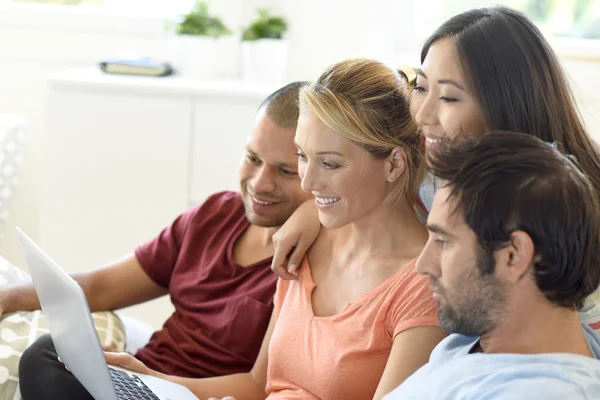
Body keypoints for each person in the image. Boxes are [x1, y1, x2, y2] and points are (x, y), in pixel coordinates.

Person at [104, 58, 446, 400]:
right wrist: (152, 379)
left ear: (394, 163)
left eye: (330, 163)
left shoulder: (423, 288)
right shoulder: (304, 241)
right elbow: (258, 385)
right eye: (302, 156)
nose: (309, 182)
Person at [271, 6, 600, 327]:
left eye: (449, 98)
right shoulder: (431, 168)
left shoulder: (563, 207)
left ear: (504, 103)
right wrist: (310, 214)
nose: (423, 115)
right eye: (422, 88)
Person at [17, 81, 314, 400]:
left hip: (190, 394)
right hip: (143, 380)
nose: (260, 183)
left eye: (286, 171)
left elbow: (259, 386)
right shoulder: (215, 215)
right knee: (48, 353)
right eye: (253, 159)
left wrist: (155, 380)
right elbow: (102, 286)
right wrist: (7, 298)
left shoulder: (308, 260)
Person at [385, 131, 600, 399]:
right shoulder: (481, 336)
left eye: (443, 241)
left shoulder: (546, 392)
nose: (423, 265)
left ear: (514, 255)